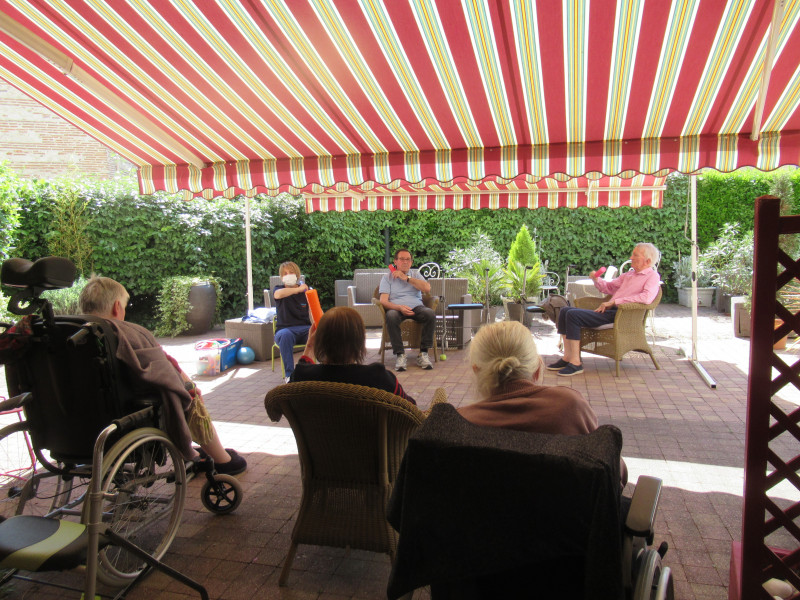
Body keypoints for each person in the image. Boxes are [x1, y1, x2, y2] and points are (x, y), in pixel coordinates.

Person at [78, 276, 247, 475]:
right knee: (189, 393)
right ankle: (222, 460)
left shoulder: (71, 335)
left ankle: (194, 450)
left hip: (79, 425)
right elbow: (165, 368)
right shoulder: (126, 333)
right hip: (126, 415)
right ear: (117, 307)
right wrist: (188, 384)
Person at [459, 319, 627, 485]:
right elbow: (616, 473)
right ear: (538, 370)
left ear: (477, 371)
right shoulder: (569, 407)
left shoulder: (459, 423)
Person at [548, 242, 661, 377]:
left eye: (635, 255)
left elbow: (646, 298)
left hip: (622, 315)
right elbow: (608, 288)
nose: (631, 257)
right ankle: (567, 358)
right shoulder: (628, 275)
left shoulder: (652, 276)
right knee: (565, 311)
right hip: (609, 311)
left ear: (647, 261)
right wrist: (596, 279)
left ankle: (576, 363)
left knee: (573, 315)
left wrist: (615, 301)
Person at [290, 306, 416, 405]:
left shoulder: (302, 377)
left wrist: (310, 346)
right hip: (369, 438)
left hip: (317, 438)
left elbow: (276, 411)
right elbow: (410, 408)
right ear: (360, 342)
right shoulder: (378, 377)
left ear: (319, 341)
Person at [379, 248, 436, 372]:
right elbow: (383, 301)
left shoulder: (415, 274)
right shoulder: (387, 278)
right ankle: (400, 354)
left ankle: (423, 353)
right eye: (402, 259)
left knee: (430, 314)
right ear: (395, 261)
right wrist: (399, 307)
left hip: (416, 306)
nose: (405, 262)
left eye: (408, 259)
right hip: (397, 307)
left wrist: (407, 278)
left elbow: (426, 288)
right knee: (391, 316)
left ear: (411, 262)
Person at [272, 261, 312, 383]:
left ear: (297, 274)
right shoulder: (278, 289)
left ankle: (318, 370)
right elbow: (278, 295)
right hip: (284, 331)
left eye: (291, 272)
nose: (288, 275)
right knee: (285, 335)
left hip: (305, 329)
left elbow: (314, 310)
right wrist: (298, 289)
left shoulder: (307, 291)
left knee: (319, 332)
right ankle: (290, 375)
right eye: (285, 273)